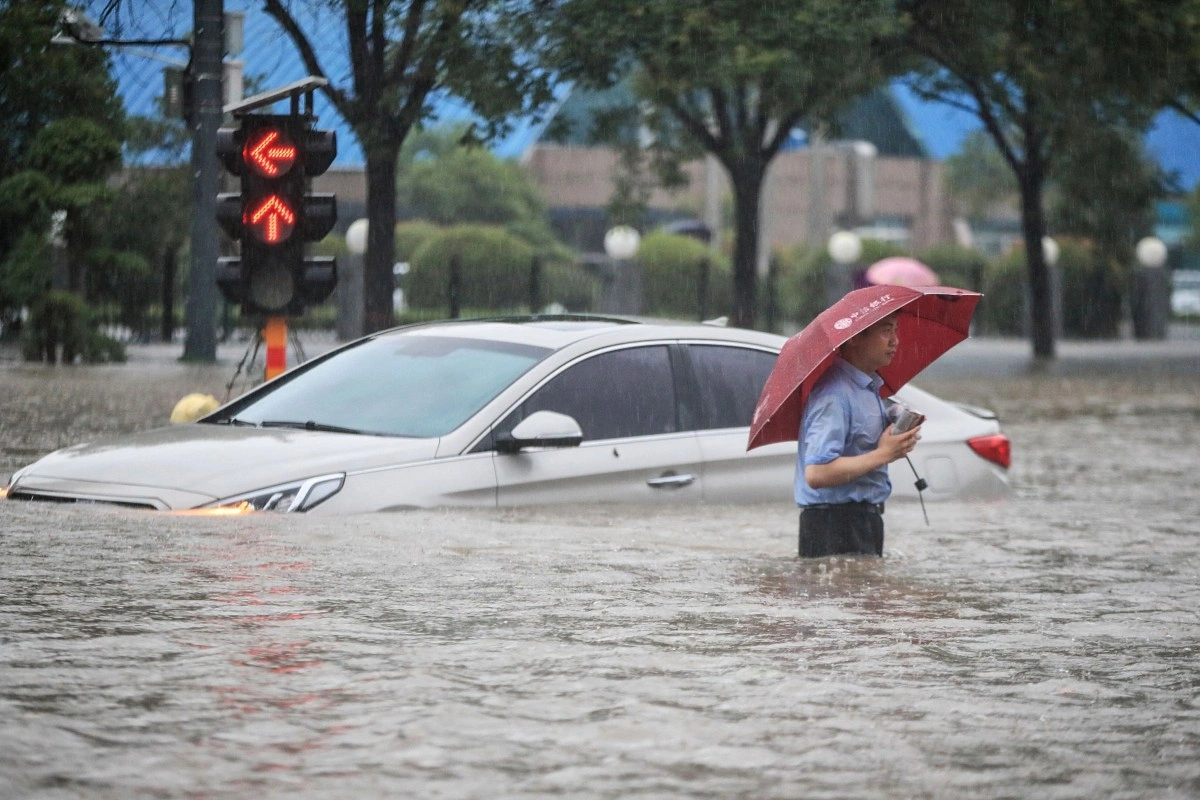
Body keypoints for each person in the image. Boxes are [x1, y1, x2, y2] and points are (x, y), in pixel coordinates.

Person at [795, 314, 921, 558]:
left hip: (863, 519)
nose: (895, 341)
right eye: (886, 331)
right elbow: (816, 473)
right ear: (854, 338)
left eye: (895, 331)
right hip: (833, 524)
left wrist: (897, 434)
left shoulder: (868, 387)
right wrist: (884, 454)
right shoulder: (834, 395)